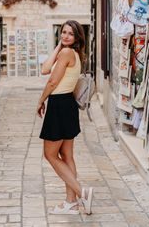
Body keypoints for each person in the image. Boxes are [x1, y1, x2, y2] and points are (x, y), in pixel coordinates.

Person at [37, 20, 93, 215]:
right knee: (67, 155)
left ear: (77, 37)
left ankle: (82, 193)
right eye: (63, 32)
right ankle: (71, 203)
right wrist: (59, 45)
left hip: (59, 105)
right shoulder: (72, 53)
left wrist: (40, 100)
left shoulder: (67, 53)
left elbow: (52, 80)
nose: (66, 36)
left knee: (50, 154)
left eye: (70, 34)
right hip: (68, 105)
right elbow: (45, 68)